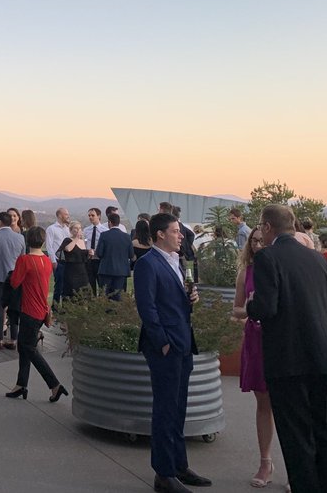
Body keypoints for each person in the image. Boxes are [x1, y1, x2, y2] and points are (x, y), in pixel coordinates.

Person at [245, 204, 327, 493]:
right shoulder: (318, 259)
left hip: (287, 358)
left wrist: (251, 305)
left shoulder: (267, 258)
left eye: (261, 227)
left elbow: (266, 307)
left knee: (295, 432)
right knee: (324, 427)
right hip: (320, 354)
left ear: (267, 227)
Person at [133, 212, 211, 493]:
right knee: (165, 409)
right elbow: (147, 307)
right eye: (176, 231)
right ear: (160, 235)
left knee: (179, 408)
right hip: (165, 346)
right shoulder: (147, 264)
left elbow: (175, 301)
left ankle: (179, 466)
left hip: (184, 342)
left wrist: (192, 297)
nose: (181, 236)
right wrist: (162, 341)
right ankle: (163, 474)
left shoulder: (177, 262)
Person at [231, 226, 276, 488]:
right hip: (255, 338)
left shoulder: (282, 269)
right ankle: (265, 461)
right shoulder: (245, 272)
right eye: (254, 241)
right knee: (264, 403)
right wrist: (248, 306)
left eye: (262, 241)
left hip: (279, 340)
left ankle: (295, 464)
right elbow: (236, 309)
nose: (258, 245)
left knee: (285, 404)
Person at [4, 226, 67, 405]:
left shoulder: (24, 260)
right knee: (25, 347)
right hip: (42, 310)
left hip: (29, 311)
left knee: (28, 348)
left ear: (27, 240)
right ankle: (21, 384)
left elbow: (15, 282)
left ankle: (54, 384)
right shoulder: (46, 260)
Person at [0, 211, 25, 350]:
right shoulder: (20, 238)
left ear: (0, 222)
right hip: (14, 277)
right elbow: (22, 259)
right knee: (14, 308)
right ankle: (14, 339)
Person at [94, 211, 132, 300]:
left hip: (106, 270)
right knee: (118, 296)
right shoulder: (126, 236)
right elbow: (131, 254)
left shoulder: (104, 235)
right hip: (121, 271)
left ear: (109, 222)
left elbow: (99, 253)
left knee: (105, 295)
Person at [58, 222, 90, 299]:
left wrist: (89, 253)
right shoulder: (67, 240)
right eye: (76, 228)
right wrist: (76, 238)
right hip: (71, 271)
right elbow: (68, 249)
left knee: (83, 293)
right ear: (71, 230)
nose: (78, 230)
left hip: (82, 271)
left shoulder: (82, 242)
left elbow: (83, 256)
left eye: (79, 228)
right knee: (71, 293)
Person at [45, 208, 71, 303]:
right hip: (58, 262)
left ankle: (65, 308)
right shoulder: (51, 229)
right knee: (59, 286)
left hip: (68, 261)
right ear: (60, 215)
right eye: (66, 214)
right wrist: (53, 261)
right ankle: (55, 309)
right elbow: (49, 246)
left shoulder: (68, 229)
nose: (68, 216)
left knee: (67, 286)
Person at [85, 208, 105, 295]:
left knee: (101, 285)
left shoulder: (105, 231)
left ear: (99, 216)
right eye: (89, 215)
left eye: (93, 215)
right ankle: (91, 306)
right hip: (89, 260)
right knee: (90, 285)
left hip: (100, 260)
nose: (90, 217)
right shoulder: (86, 230)